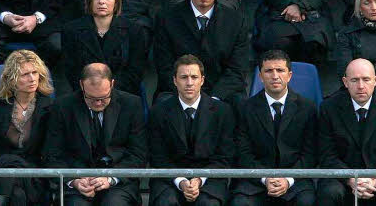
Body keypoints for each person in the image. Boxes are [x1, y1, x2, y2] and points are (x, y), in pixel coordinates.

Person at [43, 63, 148, 206]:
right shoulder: (63, 107)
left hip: (118, 183)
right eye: (91, 98)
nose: (98, 103)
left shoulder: (131, 104)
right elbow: (53, 154)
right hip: (77, 182)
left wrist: (110, 178)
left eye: (104, 97)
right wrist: (75, 180)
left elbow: (138, 154)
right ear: (81, 85)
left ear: (112, 84)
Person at [316, 58, 376, 206]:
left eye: (366, 79)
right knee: (330, 193)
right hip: (343, 177)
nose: (361, 86)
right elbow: (327, 154)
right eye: (354, 80)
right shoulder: (329, 108)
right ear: (345, 82)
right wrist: (351, 179)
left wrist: (375, 178)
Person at [155, 0, 249, 103]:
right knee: (163, 102)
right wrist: (190, 96)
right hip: (179, 92)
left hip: (221, 94)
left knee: (240, 103)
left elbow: (237, 70)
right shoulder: (167, 18)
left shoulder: (236, 21)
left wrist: (214, 98)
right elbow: (164, 67)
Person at [231, 50, 317, 206]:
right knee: (241, 203)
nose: (275, 75)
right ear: (260, 76)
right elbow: (243, 152)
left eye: (280, 70)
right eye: (269, 71)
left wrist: (288, 180)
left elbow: (310, 153)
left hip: (295, 181)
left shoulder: (307, 108)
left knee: (307, 201)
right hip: (255, 181)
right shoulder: (245, 108)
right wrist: (265, 178)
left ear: (289, 75)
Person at [148, 54, 235, 206]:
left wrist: (200, 179)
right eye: (184, 77)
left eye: (194, 77)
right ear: (175, 81)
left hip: (210, 179)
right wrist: (180, 181)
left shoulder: (223, 111)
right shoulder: (159, 111)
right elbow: (157, 156)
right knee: (166, 203)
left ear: (202, 80)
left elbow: (224, 156)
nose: (189, 83)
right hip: (169, 179)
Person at [0, 50, 55, 206]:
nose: (32, 79)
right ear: (12, 79)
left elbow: (52, 153)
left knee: (15, 189)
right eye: (25, 74)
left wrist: (16, 165)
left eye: (34, 73)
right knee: (16, 193)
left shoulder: (50, 108)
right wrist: (6, 164)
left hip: (33, 176)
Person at [62, 0, 149, 96]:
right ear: (89, 1)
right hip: (84, 96)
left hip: (122, 96)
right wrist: (92, 91)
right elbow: (72, 72)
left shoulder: (134, 31)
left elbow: (135, 73)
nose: (101, 1)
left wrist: (107, 91)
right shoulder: (71, 31)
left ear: (116, 1)